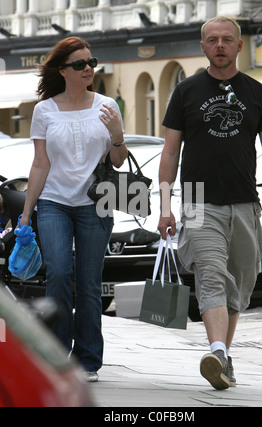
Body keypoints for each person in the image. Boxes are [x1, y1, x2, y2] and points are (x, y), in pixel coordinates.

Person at [158, 16, 262, 390]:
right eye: (212, 40)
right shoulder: (186, 91)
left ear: (239, 46)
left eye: (227, 40)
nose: (219, 45)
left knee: (239, 286)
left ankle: (222, 361)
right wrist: (165, 206)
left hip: (245, 201)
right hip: (197, 199)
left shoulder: (257, 91)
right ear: (202, 47)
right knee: (211, 275)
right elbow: (168, 153)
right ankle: (216, 349)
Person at [20, 37, 128, 382]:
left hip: (95, 204)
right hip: (54, 202)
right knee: (59, 273)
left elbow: (118, 160)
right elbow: (40, 164)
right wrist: (25, 215)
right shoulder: (44, 110)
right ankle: (55, 354)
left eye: (91, 62)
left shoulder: (107, 105)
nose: (88, 69)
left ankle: (87, 360)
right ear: (63, 70)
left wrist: (116, 134)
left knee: (89, 283)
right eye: (80, 64)